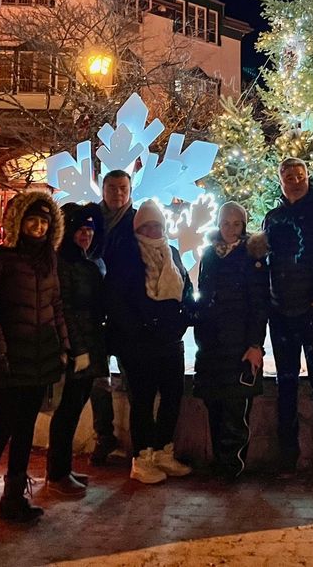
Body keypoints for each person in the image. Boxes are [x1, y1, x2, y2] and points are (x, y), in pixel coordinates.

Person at [0, 191, 69, 545]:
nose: (38, 226)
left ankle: (13, 499)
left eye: (44, 221)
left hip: (39, 361)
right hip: (8, 361)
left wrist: (63, 346)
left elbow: (56, 306)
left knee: (23, 431)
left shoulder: (48, 260)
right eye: (31, 219)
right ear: (17, 221)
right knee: (0, 432)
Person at [263, 157, 313, 480]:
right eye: (289, 176)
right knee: (286, 383)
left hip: (311, 312)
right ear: (281, 180)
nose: (295, 181)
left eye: (300, 176)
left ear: (307, 178)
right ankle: (288, 455)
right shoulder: (274, 217)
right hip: (280, 313)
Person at [105, 198, 194, 484]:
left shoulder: (173, 253)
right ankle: (142, 458)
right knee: (142, 401)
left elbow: (187, 288)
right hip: (138, 343)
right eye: (147, 226)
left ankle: (163, 452)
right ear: (137, 228)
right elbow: (116, 299)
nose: (153, 230)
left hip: (170, 340)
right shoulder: (127, 254)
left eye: (157, 225)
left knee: (171, 397)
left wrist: (183, 320)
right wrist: (139, 328)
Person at [192, 202, 270, 482]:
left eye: (237, 224)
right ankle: (219, 461)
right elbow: (203, 294)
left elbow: (260, 304)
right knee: (215, 405)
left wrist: (255, 344)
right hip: (212, 345)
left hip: (240, 345)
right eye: (226, 223)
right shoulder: (210, 255)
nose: (230, 229)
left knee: (236, 408)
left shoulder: (252, 256)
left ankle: (231, 467)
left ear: (244, 225)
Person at [46, 203, 107, 498]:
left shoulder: (89, 261)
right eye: (80, 229)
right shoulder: (64, 264)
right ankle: (56, 474)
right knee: (68, 409)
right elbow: (65, 308)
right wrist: (77, 349)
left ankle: (63, 468)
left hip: (90, 341)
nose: (85, 235)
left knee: (76, 403)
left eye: (89, 229)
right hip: (76, 346)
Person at [90, 169, 135, 466]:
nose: (118, 193)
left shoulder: (138, 221)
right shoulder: (91, 220)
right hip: (94, 312)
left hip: (127, 313)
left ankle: (138, 440)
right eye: (112, 187)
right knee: (98, 379)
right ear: (103, 189)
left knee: (133, 378)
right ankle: (103, 435)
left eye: (123, 188)